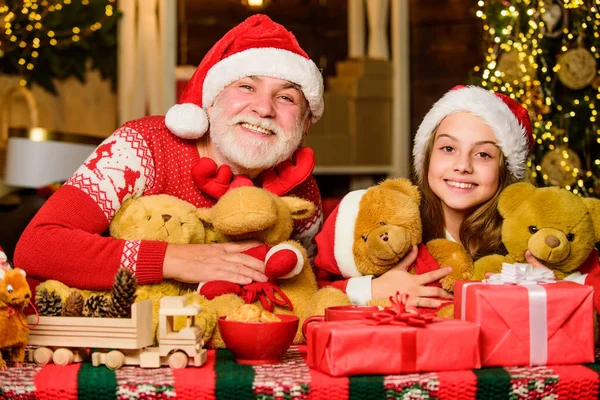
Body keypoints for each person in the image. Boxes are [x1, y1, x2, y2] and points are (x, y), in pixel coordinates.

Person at [14, 14, 325, 290]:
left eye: (286, 97)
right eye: (246, 87)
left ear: (306, 123)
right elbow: (38, 245)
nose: (263, 108)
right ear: (212, 99)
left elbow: (309, 281)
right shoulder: (142, 146)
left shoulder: (301, 190)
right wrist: (173, 259)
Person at [314, 85, 534, 307]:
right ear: (428, 156)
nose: (462, 166)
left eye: (483, 154)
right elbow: (313, 294)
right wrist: (372, 289)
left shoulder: (523, 240)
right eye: (448, 148)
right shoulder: (388, 222)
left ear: (503, 170)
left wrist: (543, 282)